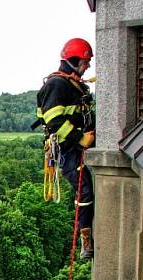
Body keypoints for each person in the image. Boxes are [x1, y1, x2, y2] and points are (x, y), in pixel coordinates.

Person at [36, 38, 96, 259]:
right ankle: (86, 241)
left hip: (79, 143)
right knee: (85, 189)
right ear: (73, 60)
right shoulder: (56, 85)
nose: (88, 65)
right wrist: (80, 139)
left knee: (88, 185)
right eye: (85, 61)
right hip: (67, 148)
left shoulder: (73, 84)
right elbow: (53, 121)